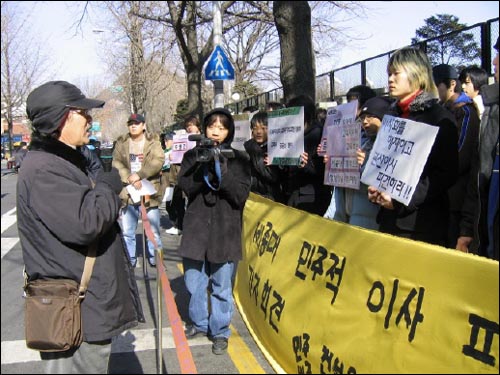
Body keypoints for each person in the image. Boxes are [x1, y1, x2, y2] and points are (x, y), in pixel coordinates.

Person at [18, 80, 144, 373]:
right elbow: (87, 222)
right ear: (58, 119)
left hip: (83, 306)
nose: (90, 119)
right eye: (82, 113)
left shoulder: (63, 161)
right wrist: (107, 185)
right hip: (73, 312)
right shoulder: (45, 168)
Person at [367, 47, 459, 247]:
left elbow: (445, 174)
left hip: (422, 226)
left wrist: (400, 200)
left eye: (396, 73)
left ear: (416, 73)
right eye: (388, 74)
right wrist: (376, 186)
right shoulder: (391, 117)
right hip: (387, 221)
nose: (390, 79)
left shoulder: (440, 118)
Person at [177, 108, 251, 355]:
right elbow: (186, 186)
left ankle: (220, 331)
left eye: (222, 127)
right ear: (204, 129)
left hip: (225, 229)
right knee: (193, 281)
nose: (216, 131)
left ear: (229, 131)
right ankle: (199, 322)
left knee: (221, 285)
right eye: (211, 126)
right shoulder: (191, 156)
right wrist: (202, 167)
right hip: (197, 227)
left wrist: (222, 167)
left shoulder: (239, 158)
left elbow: (240, 195)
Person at [457, 36, 499, 260]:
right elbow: (479, 176)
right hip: (487, 245)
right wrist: (467, 229)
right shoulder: (489, 114)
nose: (494, 61)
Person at [325, 96, 393, 230]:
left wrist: (366, 164)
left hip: (371, 220)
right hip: (351, 215)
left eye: (370, 116)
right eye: (362, 118)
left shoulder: (391, 147)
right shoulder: (362, 143)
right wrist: (334, 163)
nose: (365, 122)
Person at [432, 63, 481, 248]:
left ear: (451, 84)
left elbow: (461, 156)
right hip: (441, 195)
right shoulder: (440, 111)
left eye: (435, 85)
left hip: (456, 199)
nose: (432, 91)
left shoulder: (465, 111)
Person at [112, 113, 164, 268]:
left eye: (137, 123)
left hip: (148, 190)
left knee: (153, 231)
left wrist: (140, 175)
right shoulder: (121, 142)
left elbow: (158, 160)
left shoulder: (153, 142)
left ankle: (156, 258)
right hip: (128, 192)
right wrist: (129, 177)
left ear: (143, 125)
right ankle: (131, 260)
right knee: (128, 231)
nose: (133, 126)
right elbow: (116, 162)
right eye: (130, 123)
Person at [323, 84, 377, 221]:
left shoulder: (375, 139)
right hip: (343, 208)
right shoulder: (342, 134)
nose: (350, 110)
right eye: (348, 104)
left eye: (354, 105)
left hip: (365, 213)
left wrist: (365, 162)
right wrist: (331, 163)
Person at [280, 94, 332, 215]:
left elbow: (322, 170)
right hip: (293, 192)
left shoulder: (319, 134)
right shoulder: (292, 134)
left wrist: (306, 164)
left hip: (312, 196)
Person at [165, 115, 201, 235]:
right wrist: (172, 156)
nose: (189, 128)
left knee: (194, 202)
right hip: (178, 173)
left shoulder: (201, 140)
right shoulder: (181, 138)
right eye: (187, 126)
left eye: (192, 125)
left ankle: (194, 226)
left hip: (195, 174)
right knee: (177, 201)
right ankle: (179, 225)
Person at [243, 111, 284, 202]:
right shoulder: (247, 147)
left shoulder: (278, 147)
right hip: (251, 196)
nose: (259, 132)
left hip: (272, 198)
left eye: (263, 128)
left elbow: (272, 176)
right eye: (255, 128)